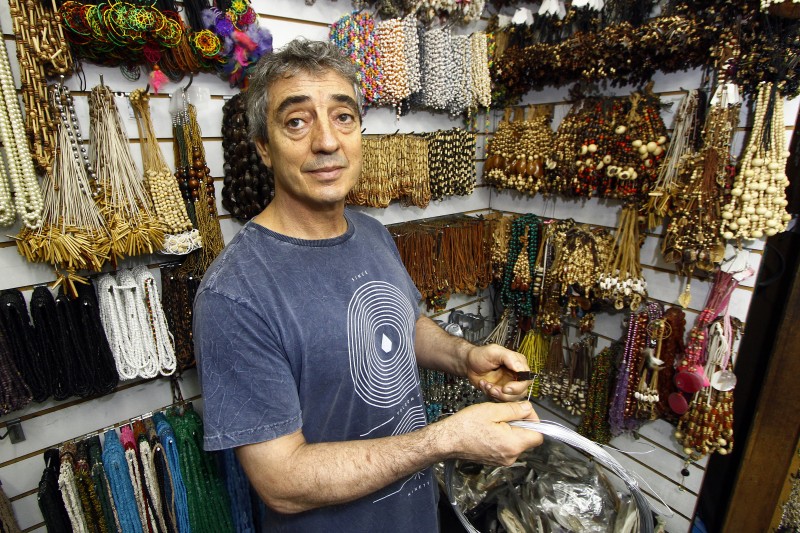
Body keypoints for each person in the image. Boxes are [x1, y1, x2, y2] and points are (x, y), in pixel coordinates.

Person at [193, 38, 543, 532]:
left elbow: (402, 324)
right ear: (263, 149)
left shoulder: (372, 233)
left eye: (343, 116)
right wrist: (442, 440)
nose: (327, 141)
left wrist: (465, 357)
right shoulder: (235, 293)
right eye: (296, 121)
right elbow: (282, 482)